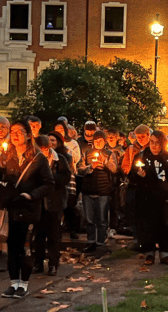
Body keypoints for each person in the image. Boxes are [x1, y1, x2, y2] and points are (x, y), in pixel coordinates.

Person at [0, 121, 54, 298]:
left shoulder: (38, 158)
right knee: (12, 245)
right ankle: (13, 283)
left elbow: (48, 184)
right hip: (13, 207)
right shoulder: (9, 155)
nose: (14, 135)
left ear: (29, 135)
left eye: (19, 131)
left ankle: (23, 284)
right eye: (12, 131)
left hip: (29, 208)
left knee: (25, 246)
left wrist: (31, 195)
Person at [128, 131, 168, 265]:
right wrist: (138, 174)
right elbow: (131, 178)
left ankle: (165, 253)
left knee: (164, 225)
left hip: (164, 199)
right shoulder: (142, 156)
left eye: (157, 143)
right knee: (148, 226)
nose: (154, 145)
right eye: (152, 142)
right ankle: (149, 253)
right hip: (146, 198)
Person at [33, 133, 72, 276]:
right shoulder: (34, 159)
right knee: (39, 235)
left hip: (55, 202)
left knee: (54, 235)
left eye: (45, 148)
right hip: (40, 202)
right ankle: (38, 263)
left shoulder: (59, 159)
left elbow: (66, 176)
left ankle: (53, 264)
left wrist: (51, 179)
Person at [77, 130, 118, 253]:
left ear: (104, 141)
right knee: (89, 219)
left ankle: (101, 242)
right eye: (96, 140)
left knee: (102, 218)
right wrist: (90, 167)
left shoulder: (110, 154)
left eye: (100, 140)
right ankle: (90, 242)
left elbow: (115, 168)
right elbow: (80, 169)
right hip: (88, 189)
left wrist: (104, 163)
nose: (98, 142)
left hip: (103, 189)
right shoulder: (86, 153)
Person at [121, 125, 150, 250]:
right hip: (134, 184)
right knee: (133, 212)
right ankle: (136, 238)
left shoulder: (151, 148)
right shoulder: (132, 148)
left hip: (148, 185)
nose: (141, 139)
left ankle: (147, 238)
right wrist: (131, 169)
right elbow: (124, 165)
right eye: (138, 137)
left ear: (148, 135)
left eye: (143, 137)